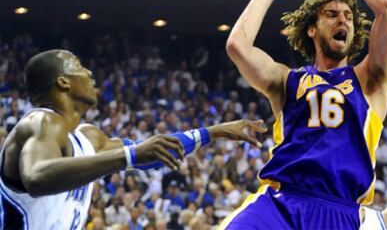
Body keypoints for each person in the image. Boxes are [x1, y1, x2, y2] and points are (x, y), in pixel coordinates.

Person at [220, 0, 387, 229]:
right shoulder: (287, 80)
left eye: (349, 16)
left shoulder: (369, 81)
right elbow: (237, 46)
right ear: (313, 29)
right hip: (281, 203)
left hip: (339, 211)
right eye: (332, 14)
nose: (343, 19)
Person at [0, 49, 267, 229]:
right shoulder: (41, 121)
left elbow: (153, 152)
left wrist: (214, 131)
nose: (89, 73)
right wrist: (129, 156)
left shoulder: (89, 138)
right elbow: (37, 177)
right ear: (63, 83)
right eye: (79, 67)